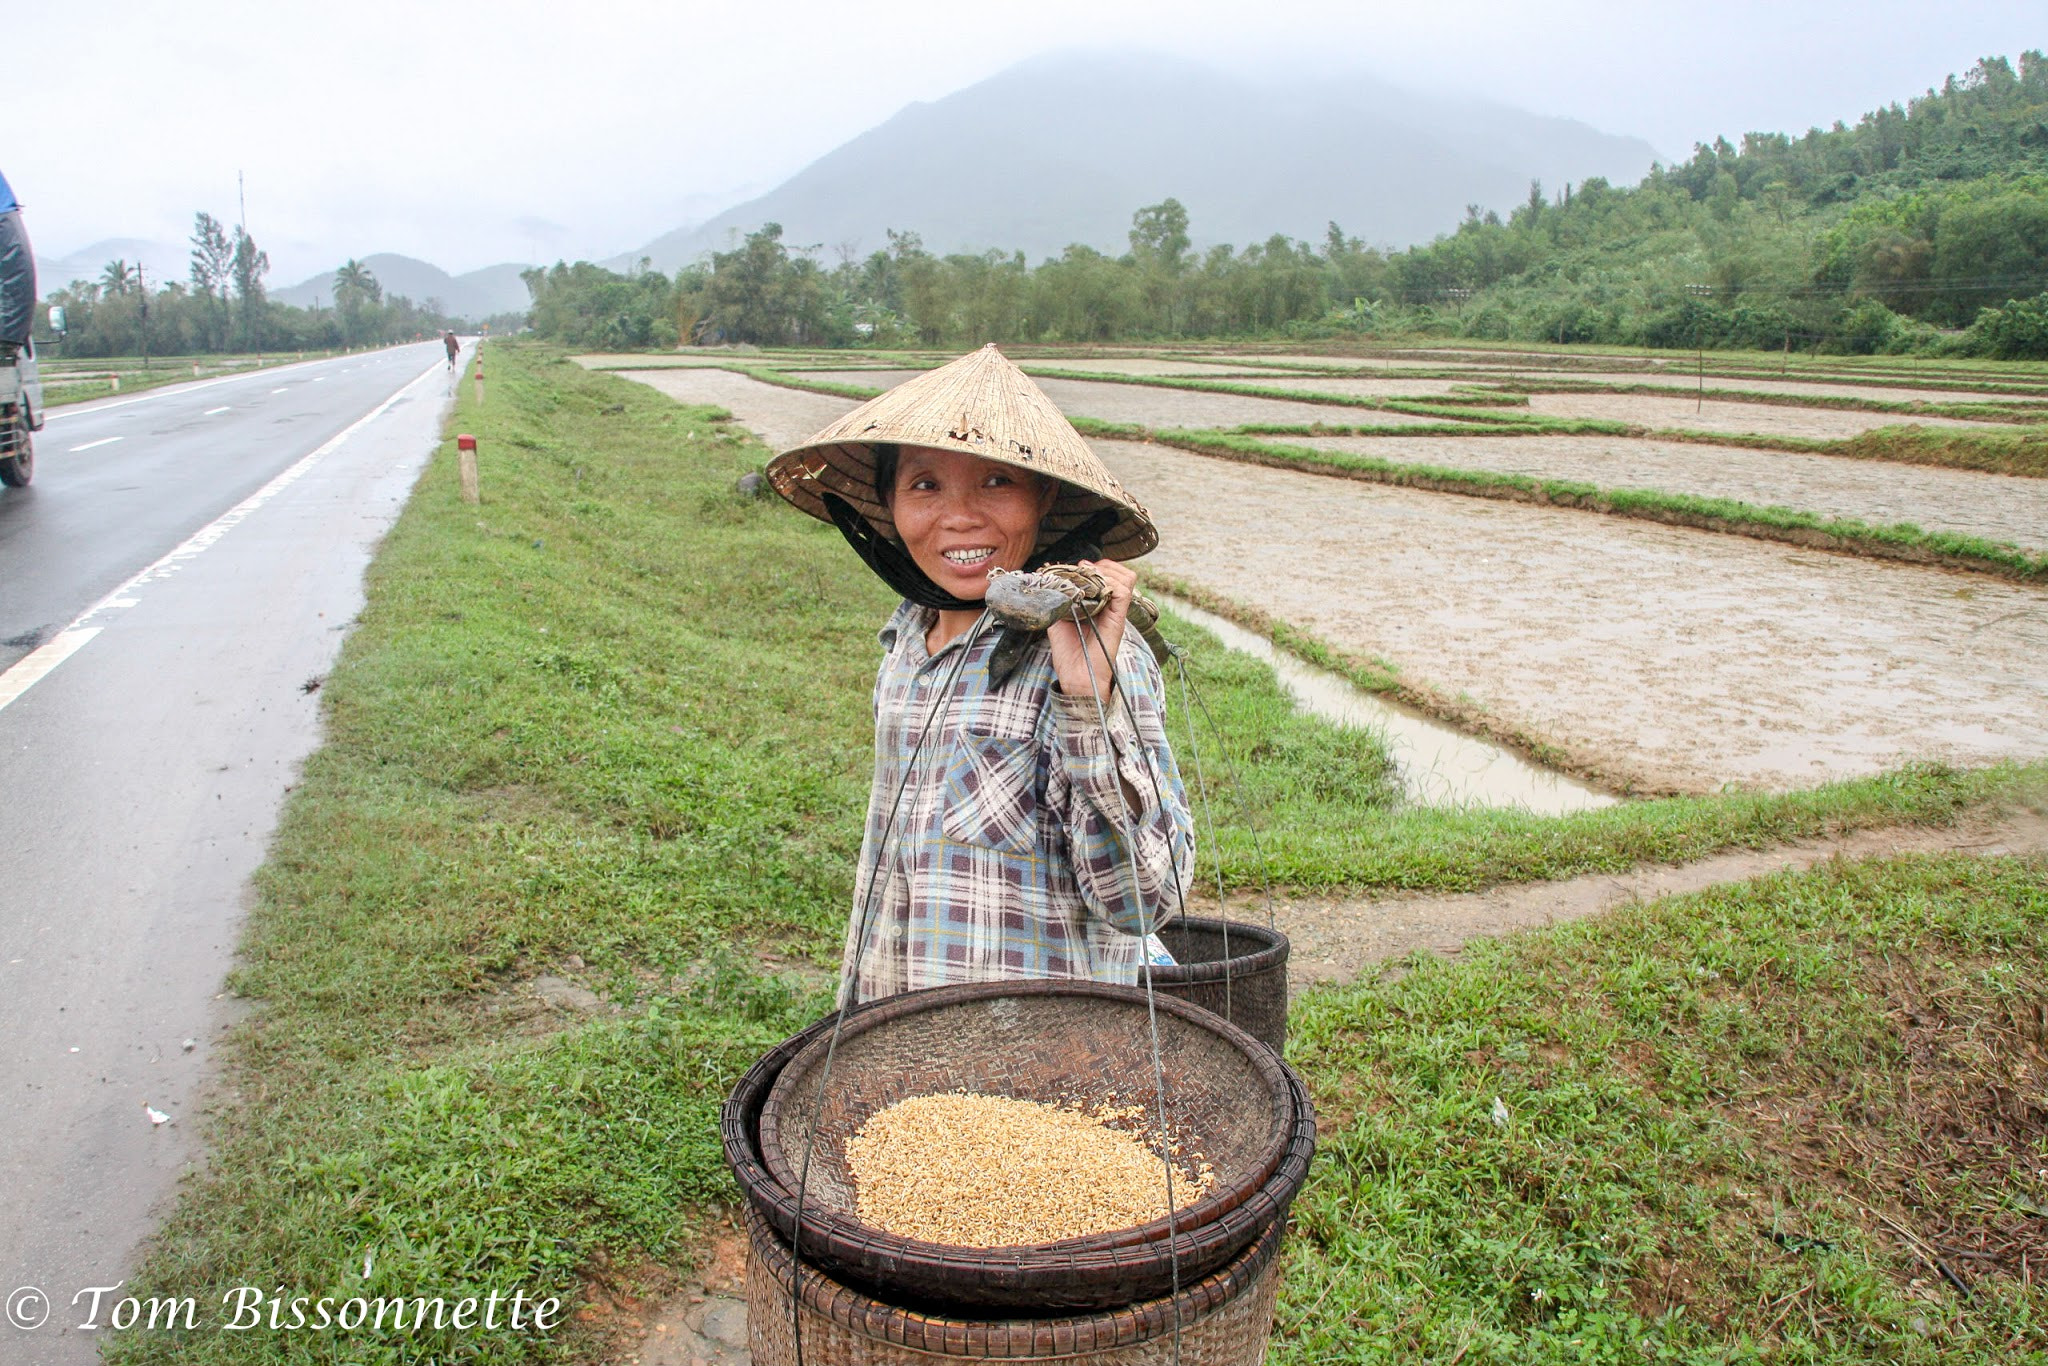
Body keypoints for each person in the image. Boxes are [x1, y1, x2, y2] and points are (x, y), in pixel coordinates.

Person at [766, 344, 1195, 1004]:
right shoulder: (906, 641)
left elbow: (1143, 905)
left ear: (1043, 496)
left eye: (997, 482)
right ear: (888, 502)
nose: (960, 516)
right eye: (925, 485)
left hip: (1042, 1058)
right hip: (896, 1027)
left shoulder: (1095, 656)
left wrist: (1086, 702)